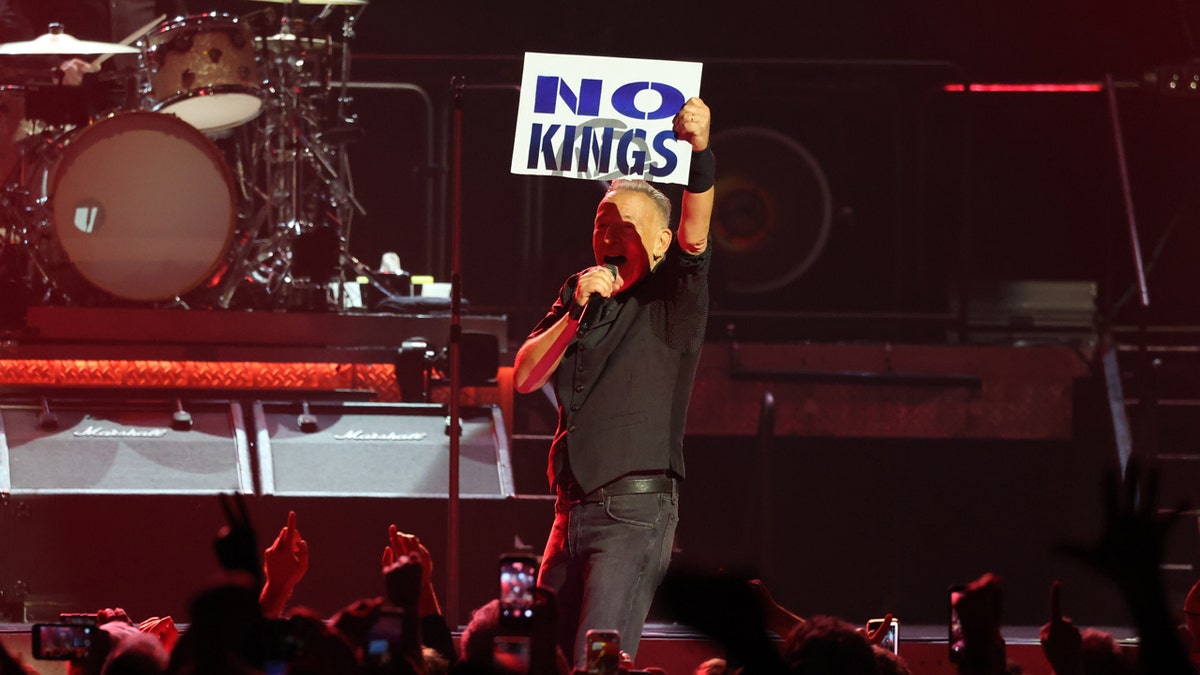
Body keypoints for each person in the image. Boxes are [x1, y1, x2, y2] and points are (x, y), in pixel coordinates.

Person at [512, 96, 715, 666]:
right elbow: (526, 377)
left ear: (656, 242)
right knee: (534, 655)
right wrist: (576, 311)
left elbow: (695, 235)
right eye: (601, 223)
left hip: (633, 512)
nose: (609, 232)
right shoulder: (579, 296)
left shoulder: (672, 299)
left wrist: (700, 154)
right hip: (567, 513)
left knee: (595, 659)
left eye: (627, 224)